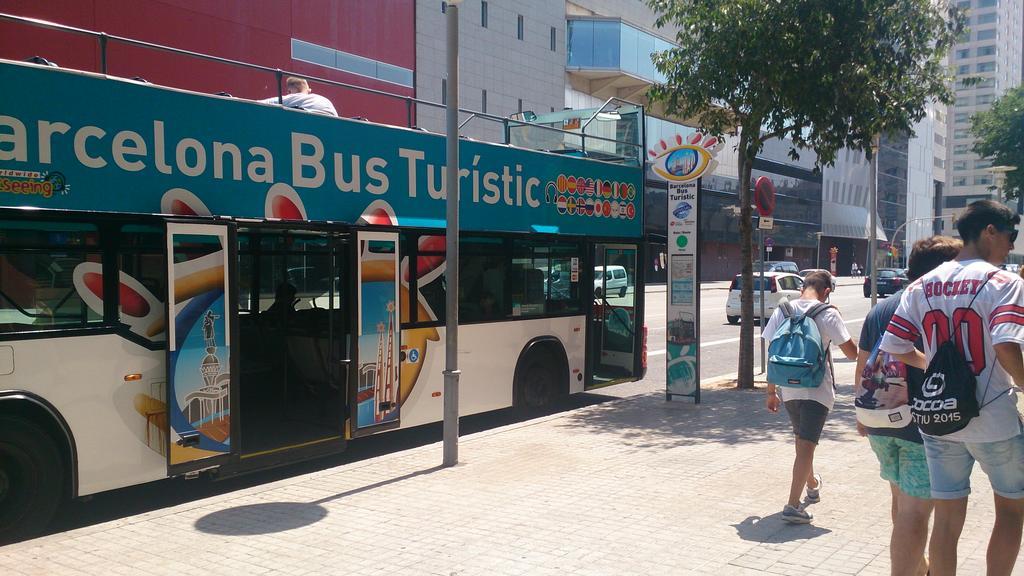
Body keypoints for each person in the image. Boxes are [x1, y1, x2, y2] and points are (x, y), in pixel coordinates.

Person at [880, 200, 1024, 576]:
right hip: (994, 418)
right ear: (989, 231)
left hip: (939, 417)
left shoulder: (923, 284)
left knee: (946, 519)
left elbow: (894, 346)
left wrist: (933, 368)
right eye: (1011, 235)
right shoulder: (1005, 283)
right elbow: (1006, 343)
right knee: (1011, 511)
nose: (1011, 245)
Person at [855, 235, 962, 576]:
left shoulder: (881, 308)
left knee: (902, 503)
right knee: (915, 512)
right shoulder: (939, 307)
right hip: (923, 425)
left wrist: (860, 418)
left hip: (879, 420)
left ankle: (918, 567)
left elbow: (861, 368)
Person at [762, 270, 858, 524]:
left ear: (803, 286)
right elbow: (852, 353)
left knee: (802, 442)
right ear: (826, 291)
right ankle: (793, 505)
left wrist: (771, 392)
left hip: (788, 387)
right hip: (817, 389)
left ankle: (812, 484)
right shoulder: (828, 313)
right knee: (806, 445)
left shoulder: (783, 310)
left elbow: (772, 350)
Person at [260, 76, 338, 116]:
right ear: (309, 90)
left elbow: (258, 104)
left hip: (308, 125)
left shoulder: (292, 98)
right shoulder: (325, 100)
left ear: (290, 91)